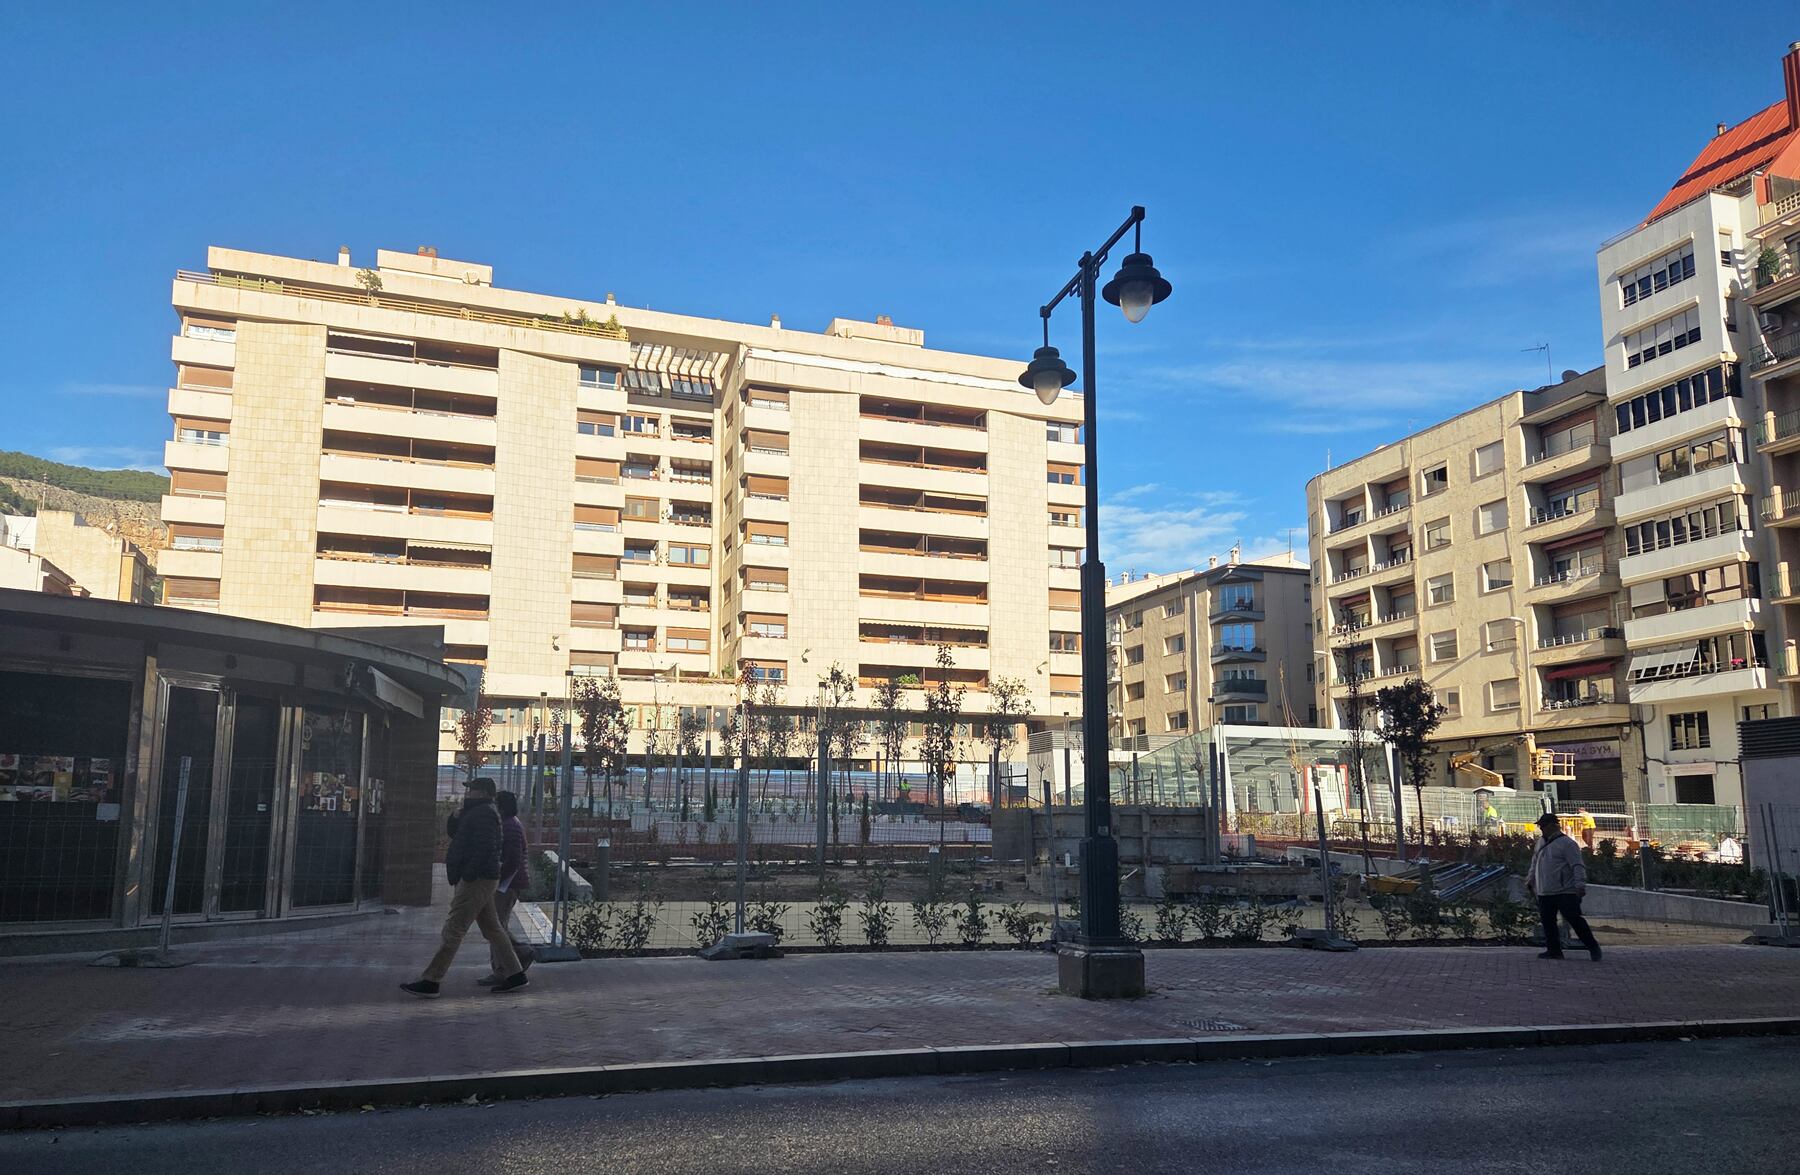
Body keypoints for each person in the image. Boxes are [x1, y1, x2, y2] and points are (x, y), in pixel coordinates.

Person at [402, 777, 529, 997]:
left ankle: (432, 980)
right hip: (481, 877)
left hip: (477, 879)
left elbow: (486, 848)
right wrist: (455, 816)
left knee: (454, 928)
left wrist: (469, 874)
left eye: (472, 789)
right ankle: (516, 974)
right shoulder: (476, 811)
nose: (468, 792)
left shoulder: (484, 813)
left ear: (484, 792)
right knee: (493, 929)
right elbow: (457, 834)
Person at [477, 790, 536, 986]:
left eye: (495, 804)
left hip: (507, 884)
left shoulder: (510, 827)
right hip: (507, 883)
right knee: (496, 926)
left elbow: (513, 860)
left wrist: (498, 879)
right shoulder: (510, 824)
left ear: (501, 807)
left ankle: (502, 971)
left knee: (496, 927)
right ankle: (520, 952)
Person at [1527, 812, 1601, 961]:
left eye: (1544, 826)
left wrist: (1580, 884)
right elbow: (1535, 862)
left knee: (1575, 920)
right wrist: (1530, 879)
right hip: (1545, 890)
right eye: (1540, 826)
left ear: (1553, 826)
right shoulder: (1540, 843)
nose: (1541, 829)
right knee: (1548, 922)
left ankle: (1593, 947)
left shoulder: (1567, 844)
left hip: (1565, 891)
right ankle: (1554, 951)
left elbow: (1577, 865)